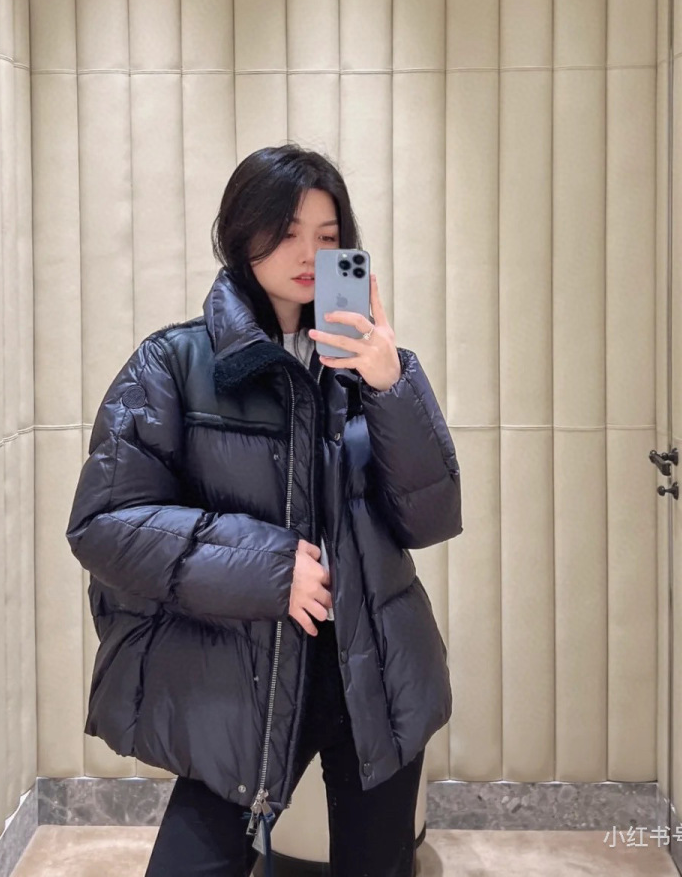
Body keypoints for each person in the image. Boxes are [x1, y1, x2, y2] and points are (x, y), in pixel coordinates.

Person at [65, 144, 463, 877]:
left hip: (373, 669)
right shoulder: (173, 365)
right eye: (285, 232)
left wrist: (391, 383)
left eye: (327, 235)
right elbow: (106, 524)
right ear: (239, 234)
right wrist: (272, 569)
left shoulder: (372, 367)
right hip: (239, 670)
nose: (308, 254)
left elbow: (430, 517)